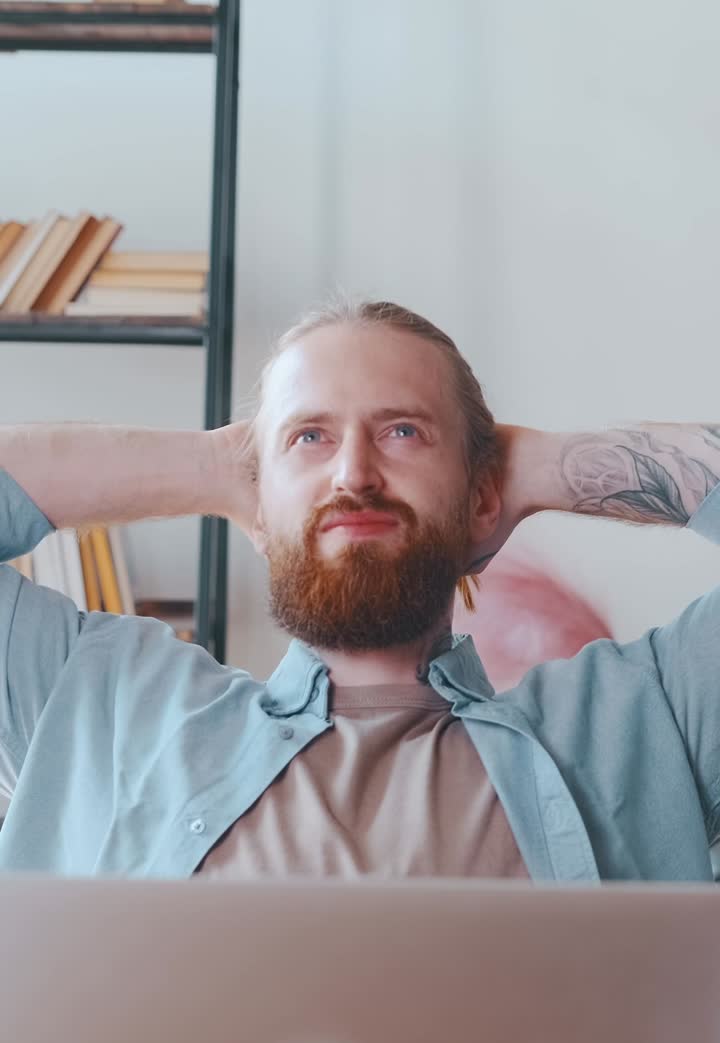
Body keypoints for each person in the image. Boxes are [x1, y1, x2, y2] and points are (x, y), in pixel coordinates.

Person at [0, 299, 718, 881]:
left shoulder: (648, 719)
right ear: (254, 504)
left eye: (403, 431)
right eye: (310, 438)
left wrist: (546, 468)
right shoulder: (101, 704)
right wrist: (216, 463)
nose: (354, 474)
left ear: (480, 498)